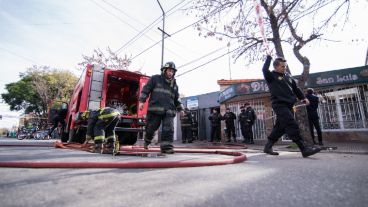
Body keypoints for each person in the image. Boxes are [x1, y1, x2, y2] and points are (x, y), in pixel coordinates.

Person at [262, 55, 321, 158]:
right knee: (291, 124)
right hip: (279, 105)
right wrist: (268, 58)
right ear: (276, 67)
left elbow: (296, 88)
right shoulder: (271, 76)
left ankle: (268, 147)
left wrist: (303, 97)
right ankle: (304, 149)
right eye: (282, 66)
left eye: (285, 66)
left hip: (289, 105)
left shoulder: (288, 76)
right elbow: (264, 69)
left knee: (280, 128)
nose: (284, 68)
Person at [138, 61, 184, 154]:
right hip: (155, 109)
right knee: (151, 128)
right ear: (164, 70)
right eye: (169, 71)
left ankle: (167, 148)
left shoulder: (174, 85)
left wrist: (181, 109)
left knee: (169, 128)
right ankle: (147, 141)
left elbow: (176, 99)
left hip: (169, 111)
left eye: (172, 71)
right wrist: (142, 101)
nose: (171, 73)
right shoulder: (155, 79)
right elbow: (146, 89)